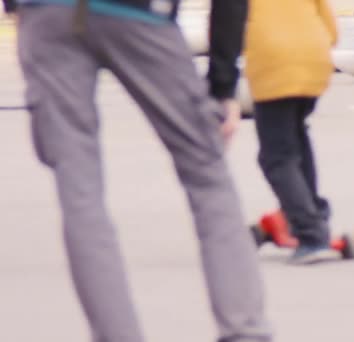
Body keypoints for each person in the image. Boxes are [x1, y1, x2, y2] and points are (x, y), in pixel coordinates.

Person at [3, 0, 272, 340]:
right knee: (206, 173)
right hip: (139, 13)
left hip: (47, 13)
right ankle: (244, 331)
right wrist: (222, 84)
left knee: (79, 190)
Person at [243, 0, 338, 264]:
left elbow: (228, 26)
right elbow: (332, 29)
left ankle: (311, 233)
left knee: (276, 157)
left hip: (275, 63)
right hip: (315, 58)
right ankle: (310, 213)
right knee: (296, 136)